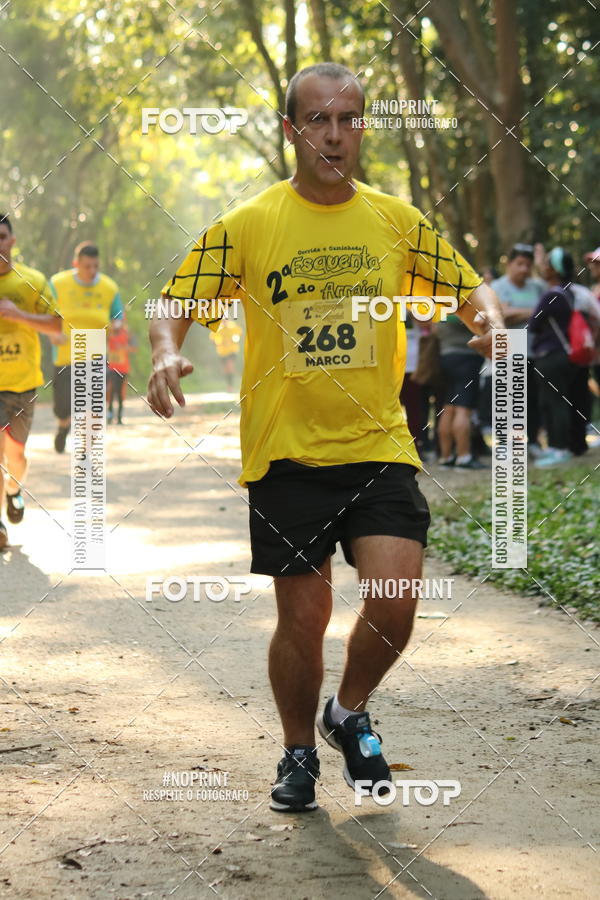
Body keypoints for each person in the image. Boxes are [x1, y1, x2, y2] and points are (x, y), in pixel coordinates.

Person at [148, 62, 504, 813]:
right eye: (317, 120)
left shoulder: (396, 220)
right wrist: (164, 351)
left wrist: (492, 325)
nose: (334, 135)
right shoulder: (248, 225)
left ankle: (347, 710)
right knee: (302, 621)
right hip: (287, 452)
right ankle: (298, 753)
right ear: (292, 130)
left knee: (398, 598)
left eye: (348, 120)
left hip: (377, 445)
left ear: (364, 128)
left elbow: (472, 292)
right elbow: (173, 299)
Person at [0, 213, 62, 548]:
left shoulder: (33, 280)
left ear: (12, 240)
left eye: (1, 237)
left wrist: (17, 314)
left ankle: (14, 487)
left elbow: (57, 326)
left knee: (16, 456)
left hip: (22, 384)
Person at [50, 243, 123, 452]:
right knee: (63, 408)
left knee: (92, 406)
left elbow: (117, 313)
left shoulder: (109, 287)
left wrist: (117, 324)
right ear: (76, 264)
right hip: (65, 356)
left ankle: (85, 449)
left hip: (96, 356)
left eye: (95, 266)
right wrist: (51, 333)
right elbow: (44, 312)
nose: (91, 271)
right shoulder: (58, 283)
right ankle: (64, 426)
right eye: (87, 266)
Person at [491, 244, 546, 456]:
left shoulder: (537, 286)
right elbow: (502, 314)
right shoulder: (497, 286)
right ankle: (506, 443)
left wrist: (518, 312)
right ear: (509, 263)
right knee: (508, 398)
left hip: (534, 350)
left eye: (528, 265)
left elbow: (547, 308)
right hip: (508, 347)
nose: (524, 269)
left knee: (531, 398)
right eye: (519, 264)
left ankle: (532, 441)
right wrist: (534, 311)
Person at [529, 247, 579, 467]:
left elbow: (533, 323)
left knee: (554, 402)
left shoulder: (551, 295)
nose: (543, 267)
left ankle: (559, 449)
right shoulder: (569, 293)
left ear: (554, 269)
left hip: (550, 355)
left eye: (547, 263)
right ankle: (558, 447)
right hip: (564, 354)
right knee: (558, 400)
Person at [436, 313, 487, 469]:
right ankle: (464, 456)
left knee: (449, 407)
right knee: (463, 410)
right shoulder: (460, 304)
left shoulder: (438, 303)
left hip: (446, 356)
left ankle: (446, 457)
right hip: (466, 357)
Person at [107, 317, 137, 424]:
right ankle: (109, 416)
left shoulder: (128, 334)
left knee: (120, 393)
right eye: (114, 321)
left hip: (123, 368)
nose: (116, 323)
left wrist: (124, 347)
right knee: (110, 391)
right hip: (111, 368)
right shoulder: (108, 333)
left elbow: (134, 348)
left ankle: (119, 418)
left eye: (118, 321)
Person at [209, 316, 242, 389]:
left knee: (230, 366)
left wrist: (236, 338)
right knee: (225, 370)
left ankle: (230, 386)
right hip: (222, 352)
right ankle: (228, 385)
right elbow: (212, 338)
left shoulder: (232, 326)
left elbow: (239, 334)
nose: (224, 321)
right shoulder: (218, 328)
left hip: (232, 350)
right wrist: (216, 342)